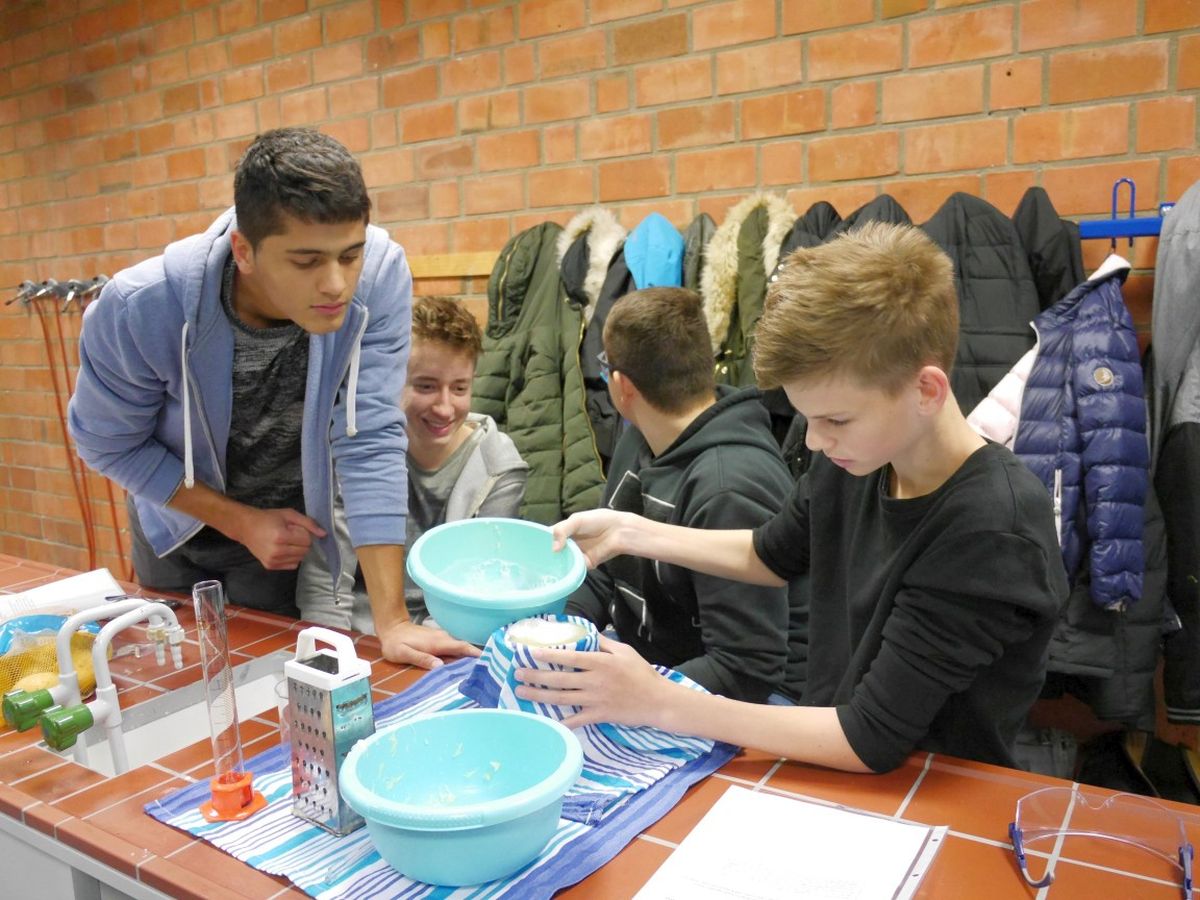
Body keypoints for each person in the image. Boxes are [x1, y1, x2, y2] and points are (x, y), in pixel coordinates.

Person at [516, 222, 1069, 773]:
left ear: (925, 390)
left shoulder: (991, 526)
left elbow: (868, 737)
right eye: (807, 418)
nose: (813, 441)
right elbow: (770, 553)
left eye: (835, 419)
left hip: (932, 787)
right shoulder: (858, 457)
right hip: (829, 756)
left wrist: (661, 701)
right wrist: (630, 532)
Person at [68, 127, 476, 668]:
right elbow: (108, 445)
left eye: (349, 255)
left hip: (283, 536)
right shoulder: (141, 307)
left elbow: (371, 437)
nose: (336, 284)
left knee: (270, 680)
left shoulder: (379, 277)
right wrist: (239, 520)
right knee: (179, 673)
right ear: (244, 251)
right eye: (306, 262)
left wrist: (393, 622)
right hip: (175, 522)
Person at [564, 286, 796, 703]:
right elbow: (602, 569)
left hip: (752, 700)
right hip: (652, 665)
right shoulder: (640, 439)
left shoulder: (728, 486)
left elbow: (745, 670)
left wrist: (632, 695)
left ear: (621, 386)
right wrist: (563, 635)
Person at [296, 295, 530, 629]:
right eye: (426, 386)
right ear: (392, 381)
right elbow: (326, 584)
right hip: (361, 631)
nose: (445, 408)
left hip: (451, 633)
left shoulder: (499, 468)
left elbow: (482, 593)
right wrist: (330, 651)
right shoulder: (357, 452)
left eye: (459, 388)